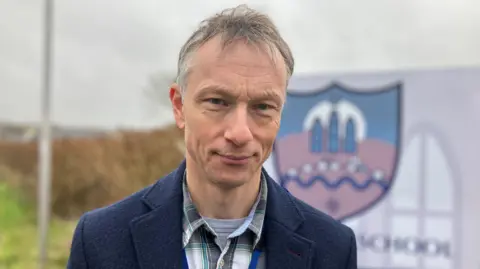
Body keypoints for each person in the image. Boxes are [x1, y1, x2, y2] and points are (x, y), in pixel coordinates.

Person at [67, 4, 357, 269]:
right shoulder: (99, 242)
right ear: (179, 106)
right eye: (218, 102)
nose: (240, 133)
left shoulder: (333, 249)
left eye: (263, 107)